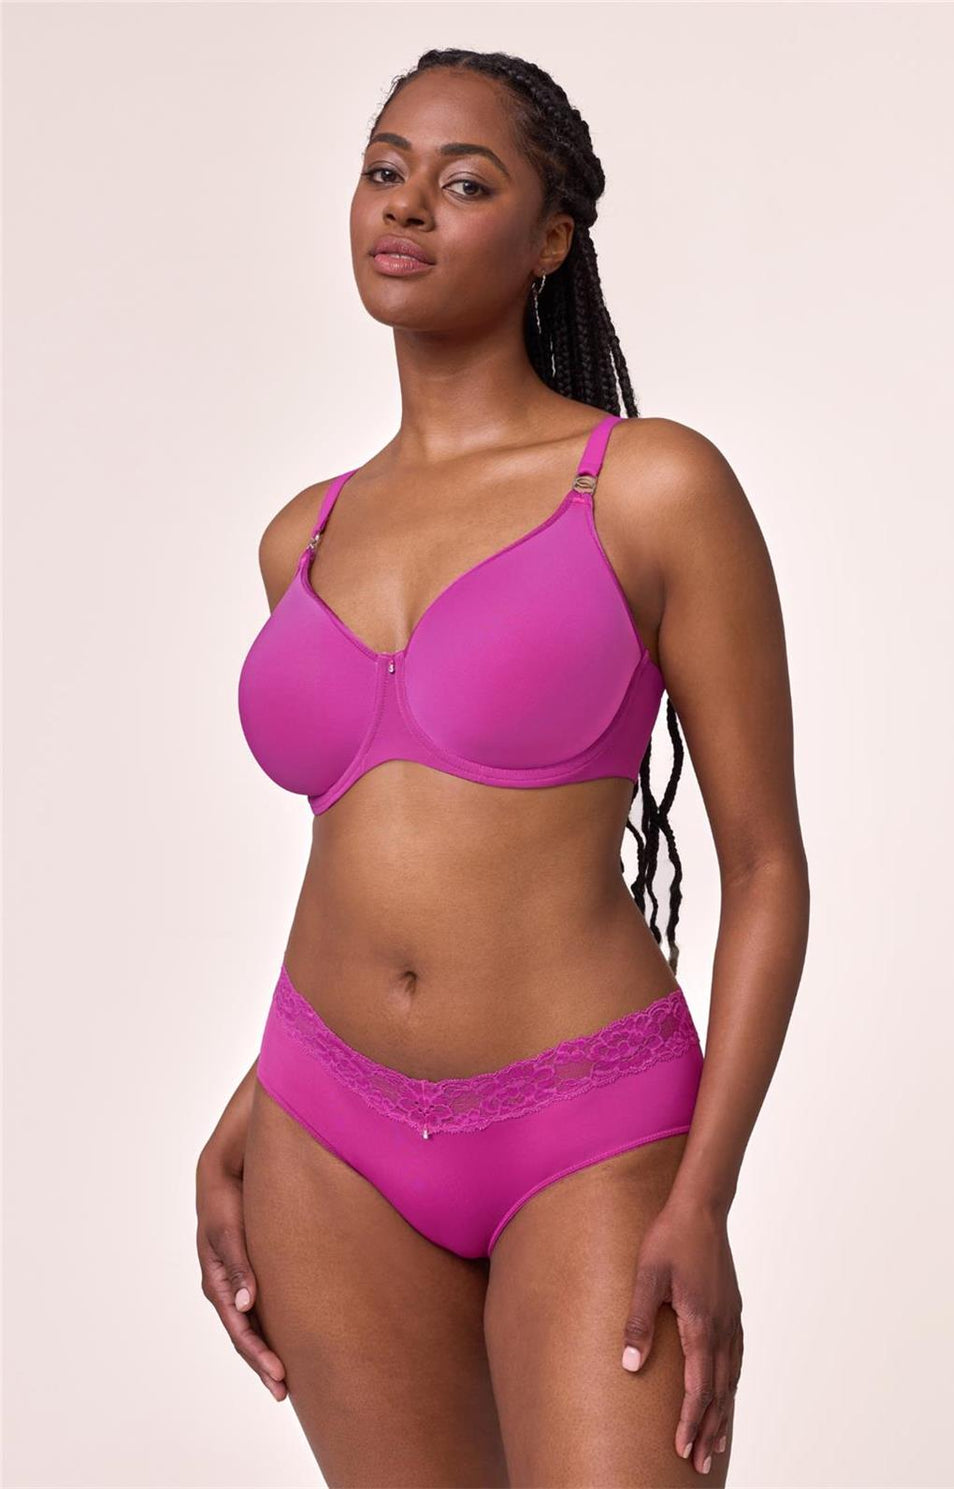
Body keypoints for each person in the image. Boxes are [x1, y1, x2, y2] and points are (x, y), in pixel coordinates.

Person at [195, 46, 809, 1488]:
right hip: (324, 1132)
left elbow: (767, 863)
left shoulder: (650, 486)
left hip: (586, 1124)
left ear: (550, 240)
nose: (407, 205)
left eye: (465, 183)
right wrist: (256, 1103)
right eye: (384, 169)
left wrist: (705, 1193)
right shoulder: (303, 538)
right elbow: (368, 850)